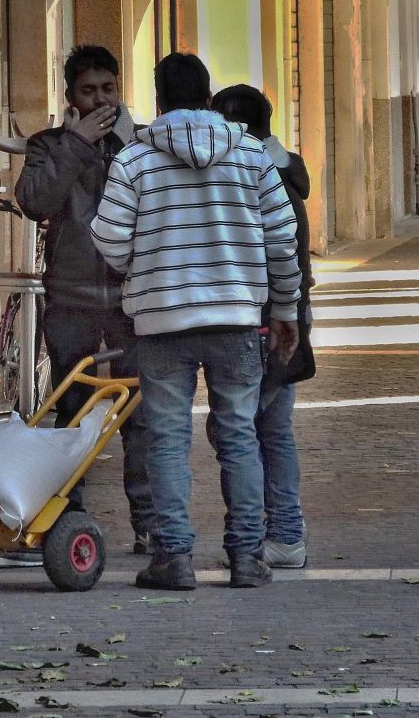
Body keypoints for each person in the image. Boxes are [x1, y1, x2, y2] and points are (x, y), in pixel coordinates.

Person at [91, 53, 301, 591]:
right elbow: (282, 239)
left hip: (161, 322)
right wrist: (282, 309)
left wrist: (146, 268)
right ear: (209, 99)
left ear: (157, 100)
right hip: (237, 318)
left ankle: (173, 557)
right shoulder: (253, 157)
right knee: (239, 436)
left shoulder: (134, 159)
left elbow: (110, 238)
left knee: (164, 438)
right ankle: (248, 557)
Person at [15, 44, 156, 555]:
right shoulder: (47, 145)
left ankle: (149, 521)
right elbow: (34, 202)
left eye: (109, 90)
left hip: (130, 302)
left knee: (140, 416)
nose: (101, 101)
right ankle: (66, 519)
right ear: (70, 96)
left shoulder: (142, 145)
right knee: (71, 415)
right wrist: (74, 145)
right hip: (71, 299)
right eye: (89, 91)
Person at [209, 84, 314, 570]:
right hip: (287, 319)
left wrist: (278, 317)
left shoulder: (254, 177)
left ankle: (259, 536)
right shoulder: (286, 168)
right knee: (273, 430)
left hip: (265, 323)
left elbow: (277, 255)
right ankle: (287, 533)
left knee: (236, 430)